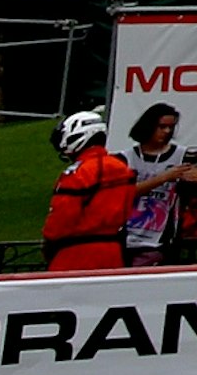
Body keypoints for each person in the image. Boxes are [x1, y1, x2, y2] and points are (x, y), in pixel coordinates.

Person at [43, 112, 146, 274]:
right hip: (114, 252)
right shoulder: (122, 168)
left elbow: (61, 219)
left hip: (75, 254)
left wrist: (49, 243)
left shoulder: (79, 172)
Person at [118, 102, 187, 266]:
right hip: (127, 234)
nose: (167, 132)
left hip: (160, 236)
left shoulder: (181, 155)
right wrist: (162, 178)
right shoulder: (126, 158)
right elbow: (123, 193)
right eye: (162, 127)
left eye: (171, 127)